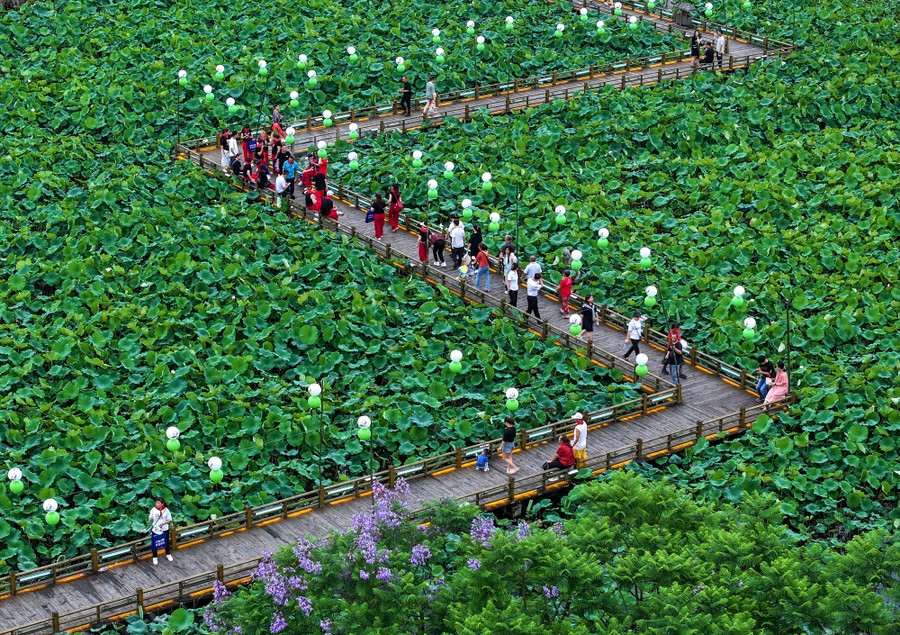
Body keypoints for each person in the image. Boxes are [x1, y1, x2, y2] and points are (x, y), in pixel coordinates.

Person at [149, 497, 173, 565]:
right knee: (154, 543)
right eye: (156, 503)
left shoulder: (166, 510)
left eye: (158, 503)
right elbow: (150, 517)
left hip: (164, 529)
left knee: (166, 542)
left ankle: (168, 554)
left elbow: (169, 519)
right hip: (155, 529)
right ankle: (155, 557)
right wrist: (152, 518)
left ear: (162, 504)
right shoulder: (153, 509)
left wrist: (163, 523)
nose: (157, 504)